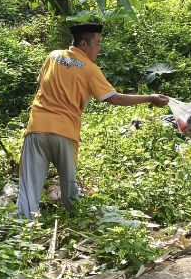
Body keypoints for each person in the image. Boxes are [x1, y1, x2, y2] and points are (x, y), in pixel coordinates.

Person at [17, 23, 169, 220]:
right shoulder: (90, 69)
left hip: (36, 128)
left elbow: (40, 85)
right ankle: (75, 222)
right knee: (70, 190)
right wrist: (149, 98)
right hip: (64, 132)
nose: (99, 49)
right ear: (83, 44)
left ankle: (23, 226)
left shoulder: (52, 56)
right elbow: (114, 98)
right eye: (97, 44)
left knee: (28, 189)